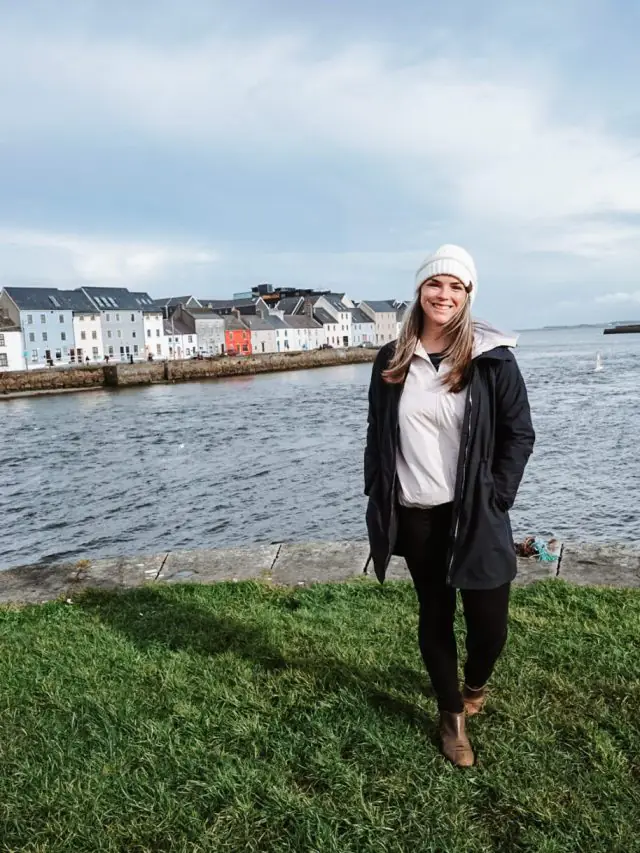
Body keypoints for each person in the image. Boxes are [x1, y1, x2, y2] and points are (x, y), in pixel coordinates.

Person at [364, 244, 535, 768]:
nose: (444, 294)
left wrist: (497, 496)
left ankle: (475, 684)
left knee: (490, 627)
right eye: (436, 283)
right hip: (417, 512)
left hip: (478, 514)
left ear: (468, 296)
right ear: (420, 290)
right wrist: (379, 490)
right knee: (434, 613)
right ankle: (451, 718)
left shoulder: (492, 360)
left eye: (456, 286)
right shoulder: (391, 361)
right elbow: (378, 432)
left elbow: (519, 435)